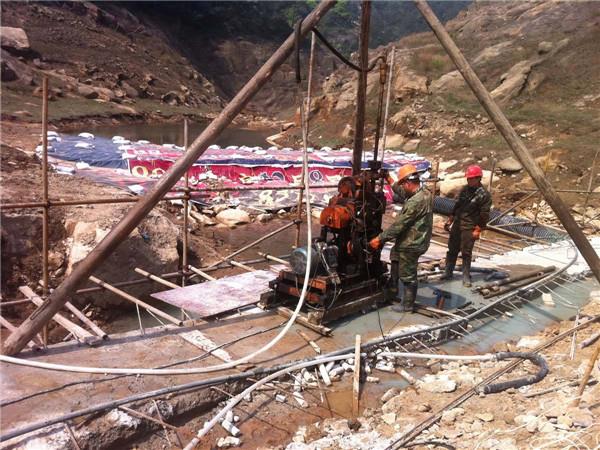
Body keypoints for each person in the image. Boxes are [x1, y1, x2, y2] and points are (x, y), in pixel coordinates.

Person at [369, 164, 433, 312]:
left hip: (412, 242)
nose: (402, 188)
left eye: (403, 185)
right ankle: (392, 291)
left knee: (408, 274)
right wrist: (388, 179)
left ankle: (407, 305)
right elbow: (402, 192)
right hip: (411, 239)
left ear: (408, 183)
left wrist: (380, 239)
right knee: (395, 257)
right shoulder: (424, 193)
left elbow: (399, 226)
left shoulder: (415, 202)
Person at [441, 164, 492, 287]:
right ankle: (448, 272)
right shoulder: (465, 190)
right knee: (452, 249)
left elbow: (484, 214)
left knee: (466, 252)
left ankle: (466, 275)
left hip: (470, 226)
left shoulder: (484, 195)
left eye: (472, 179)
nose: (470, 181)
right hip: (458, 223)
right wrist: (451, 219)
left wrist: (478, 229)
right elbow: (457, 205)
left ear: (478, 178)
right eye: (468, 179)